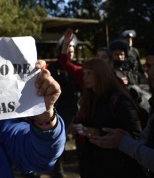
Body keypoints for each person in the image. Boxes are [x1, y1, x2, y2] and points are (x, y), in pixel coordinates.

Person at [70, 58, 146, 178]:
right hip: (95, 164)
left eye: (89, 73)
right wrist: (81, 129)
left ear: (101, 74)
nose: (84, 77)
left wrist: (99, 133)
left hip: (118, 167)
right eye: (84, 73)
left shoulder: (119, 100)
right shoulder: (90, 98)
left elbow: (135, 135)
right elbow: (89, 124)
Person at [90, 44, 154, 175]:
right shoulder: (92, 96)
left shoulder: (120, 98)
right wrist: (128, 139)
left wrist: (124, 142)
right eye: (149, 66)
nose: (150, 72)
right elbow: (145, 140)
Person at [47, 35, 82, 178]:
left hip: (78, 107)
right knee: (59, 139)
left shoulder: (78, 67)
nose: (71, 53)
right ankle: (57, 167)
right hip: (62, 108)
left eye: (72, 50)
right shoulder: (54, 67)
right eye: (68, 50)